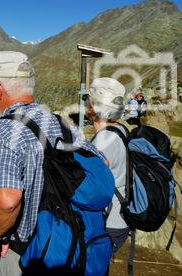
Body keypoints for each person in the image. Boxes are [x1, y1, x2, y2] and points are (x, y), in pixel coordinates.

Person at [0, 51, 106, 275]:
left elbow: (7, 200)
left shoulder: (5, 129)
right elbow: (103, 161)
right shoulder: (59, 121)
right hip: (65, 242)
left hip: (22, 252)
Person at [84, 77, 129, 252]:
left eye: (87, 100)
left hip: (108, 223)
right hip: (118, 218)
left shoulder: (104, 141)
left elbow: (90, 189)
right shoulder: (120, 130)